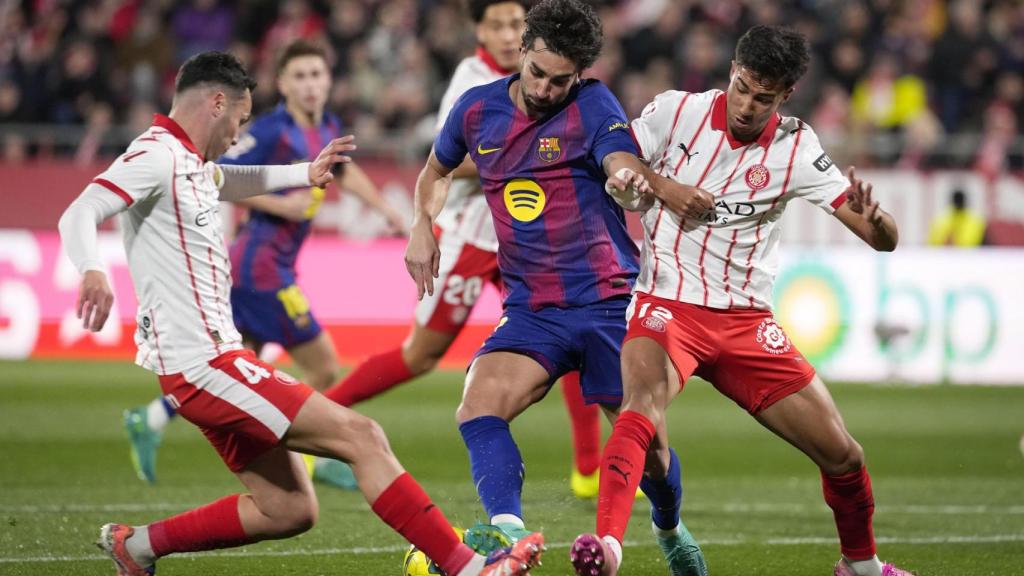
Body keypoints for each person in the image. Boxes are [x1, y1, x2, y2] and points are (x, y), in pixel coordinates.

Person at [58, 50, 542, 576]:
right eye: (239, 122)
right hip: (204, 365)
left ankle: (139, 546)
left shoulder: (190, 162)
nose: (236, 136)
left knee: (289, 508)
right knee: (363, 436)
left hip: (207, 363)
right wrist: (92, 268)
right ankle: (468, 568)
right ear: (217, 102)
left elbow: (229, 180)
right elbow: (81, 209)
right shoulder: (155, 155)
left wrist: (301, 173)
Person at [570, 25, 914, 576]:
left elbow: (881, 239)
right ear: (731, 70)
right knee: (640, 410)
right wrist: (661, 188)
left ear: (785, 96)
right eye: (743, 86)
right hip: (667, 304)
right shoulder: (674, 112)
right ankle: (607, 547)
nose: (749, 105)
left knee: (844, 454)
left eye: (764, 96)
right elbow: (617, 162)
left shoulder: (797, 147)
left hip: (746, 322)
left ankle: (861, 566)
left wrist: (880, 223)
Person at [405, 1, 705, 573]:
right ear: (523, 51)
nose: (545, 88)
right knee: (477, 405)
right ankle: (509, 537)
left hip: (610, 304)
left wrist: (629, 176)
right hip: (532, 309)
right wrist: (423, 223)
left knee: (656, 457)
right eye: (537, 72)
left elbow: (619, 157)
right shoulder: (476, 110)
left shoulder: (594, 104)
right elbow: (436, 170)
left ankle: (669, 526)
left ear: (581, 74)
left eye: (560, 79)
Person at [320, 0, 606, 500]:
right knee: (421, 355)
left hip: (529, 244)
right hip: (475, 236)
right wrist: (522, 156)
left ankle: (589, 470)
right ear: (480, 30)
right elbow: (450, 158)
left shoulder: (559, 89)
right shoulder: (472, 82)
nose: (504, 33)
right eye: (494, 24)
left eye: (514, 23)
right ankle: (316, 421)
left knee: (571, 347)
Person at [122, 40, 407, 489]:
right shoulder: (270, 130)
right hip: (260, 266)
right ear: (283, 84)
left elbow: (345, 173)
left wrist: (389, 212)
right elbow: (217, 175)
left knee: (235, 365)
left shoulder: (327, 126)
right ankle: (314, 453)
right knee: (323, 364)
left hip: (277, 264)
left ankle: (152, 418)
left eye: (317, 74)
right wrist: (281, 205)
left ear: (330, 80)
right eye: (300, 76)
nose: (311, 85)